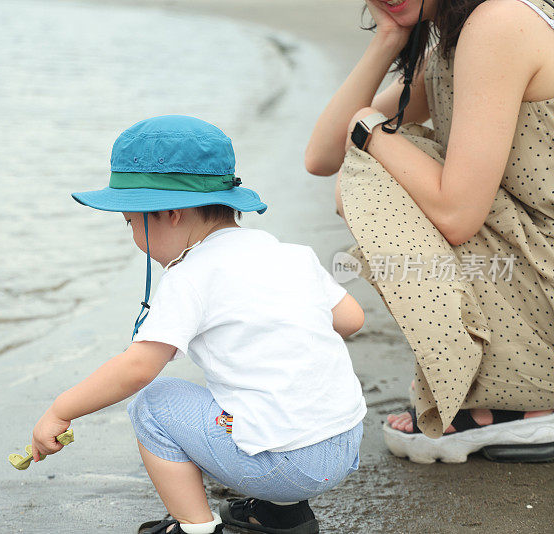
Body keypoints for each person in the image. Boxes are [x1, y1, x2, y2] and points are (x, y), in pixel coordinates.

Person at [29, 115, 367, 534]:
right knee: (257, 388)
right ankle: (283, 514)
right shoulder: (288, 253)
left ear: (170, 213)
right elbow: (352, 319)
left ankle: (196, 527)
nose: (134, 236)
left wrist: (60, 410)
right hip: (345, 442)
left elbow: (137, 370)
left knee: (153, 404)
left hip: (287, 463)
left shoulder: (190, 276)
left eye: (131, 222)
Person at [305, 0, 554, 463]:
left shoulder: (498, 23)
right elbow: (322, 155)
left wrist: (372, 132)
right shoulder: (456, 38)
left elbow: (458, 215)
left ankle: (527, 394)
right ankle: (508, 382)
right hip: (536, 262)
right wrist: (389, 40)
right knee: (375, 159)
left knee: (377, 171)